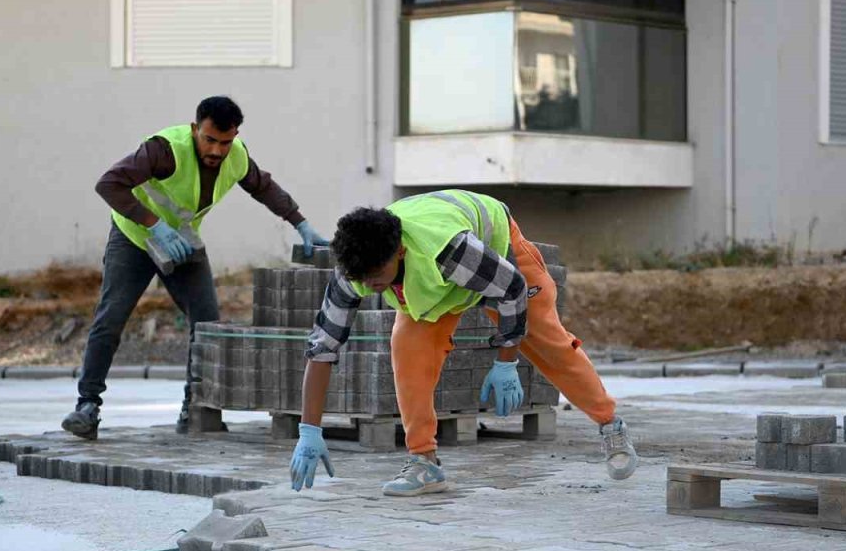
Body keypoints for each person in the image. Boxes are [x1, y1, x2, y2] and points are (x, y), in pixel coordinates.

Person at [287, 189, 637, 496]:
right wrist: (309, 430)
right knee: (407, 351)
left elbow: (511, 289)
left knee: (548, 341)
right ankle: (424, 463)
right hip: (437, 287)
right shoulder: (355, 269)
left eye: (376, 278)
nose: (369, 287)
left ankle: (610, 424)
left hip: (496, 255)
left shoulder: (451, 251)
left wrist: (506, 361)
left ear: (401, 252)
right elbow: (322, 347)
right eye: (362, 280)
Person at [61, 96, 327, 439]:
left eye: (226, 142)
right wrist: (153, 224)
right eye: (210, 140)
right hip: (135, 238)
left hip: (184, 243)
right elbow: (108, 183)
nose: (217, 150)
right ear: (195, 129)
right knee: (111, 318)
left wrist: (300, 222)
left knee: (206, 323)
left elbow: (263, 187)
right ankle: (87, 406)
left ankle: (194, 408)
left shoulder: (237, 157)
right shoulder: (164, 149)